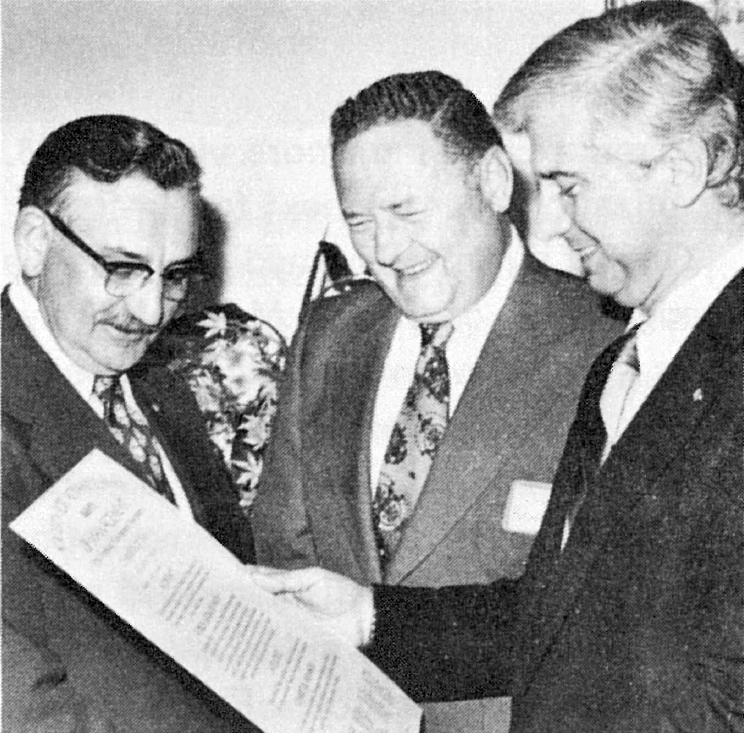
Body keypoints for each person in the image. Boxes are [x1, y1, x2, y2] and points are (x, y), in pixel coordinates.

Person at [252, 3, 744, 731]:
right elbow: (560, 616)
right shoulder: (627, 362)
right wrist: (369, 616)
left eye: (569, 185)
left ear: (682, 169)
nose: (550, 220)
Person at [251, 71, 624, 731]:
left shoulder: (607, 342)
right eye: (359, 221)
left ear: (492, 183)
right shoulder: (330, 332)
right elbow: (285, 544)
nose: (384, 250)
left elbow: (599, 611)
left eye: (406, 211)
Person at [2, 115, 256, 732]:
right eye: (122, 268)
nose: (149, 311)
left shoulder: (156, 384)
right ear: (35, 241)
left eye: (174, 276)